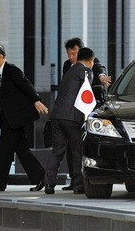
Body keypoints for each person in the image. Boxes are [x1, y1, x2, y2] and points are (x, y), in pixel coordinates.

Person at [0, 43, 48, 192]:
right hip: (10, 121)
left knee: (4, 151)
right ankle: (42, 178)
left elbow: (26, 85)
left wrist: (36, 100)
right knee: (22, 151)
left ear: (0, 57)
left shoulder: (11, 70)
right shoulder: (1, 74)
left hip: (15, 121)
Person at [61, 37, 111, 190]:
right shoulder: (67, 66)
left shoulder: (91, 61)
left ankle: (85, 180)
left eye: (74, 53)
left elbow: (100, 69)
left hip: (88, 111)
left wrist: (102, 77)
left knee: (82, 145)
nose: (71, 57)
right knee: (71, 146)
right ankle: (74, 179)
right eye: (69, 53)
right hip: (71, 111)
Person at [44, 47, 95, 194]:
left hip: (57, 115)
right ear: (91, 61)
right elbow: (86, 95)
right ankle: (79, 186)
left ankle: (49, 184)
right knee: (77, 152)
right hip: (73, 117)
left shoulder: (69, 71)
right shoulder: (86, 71)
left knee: (57, 151)